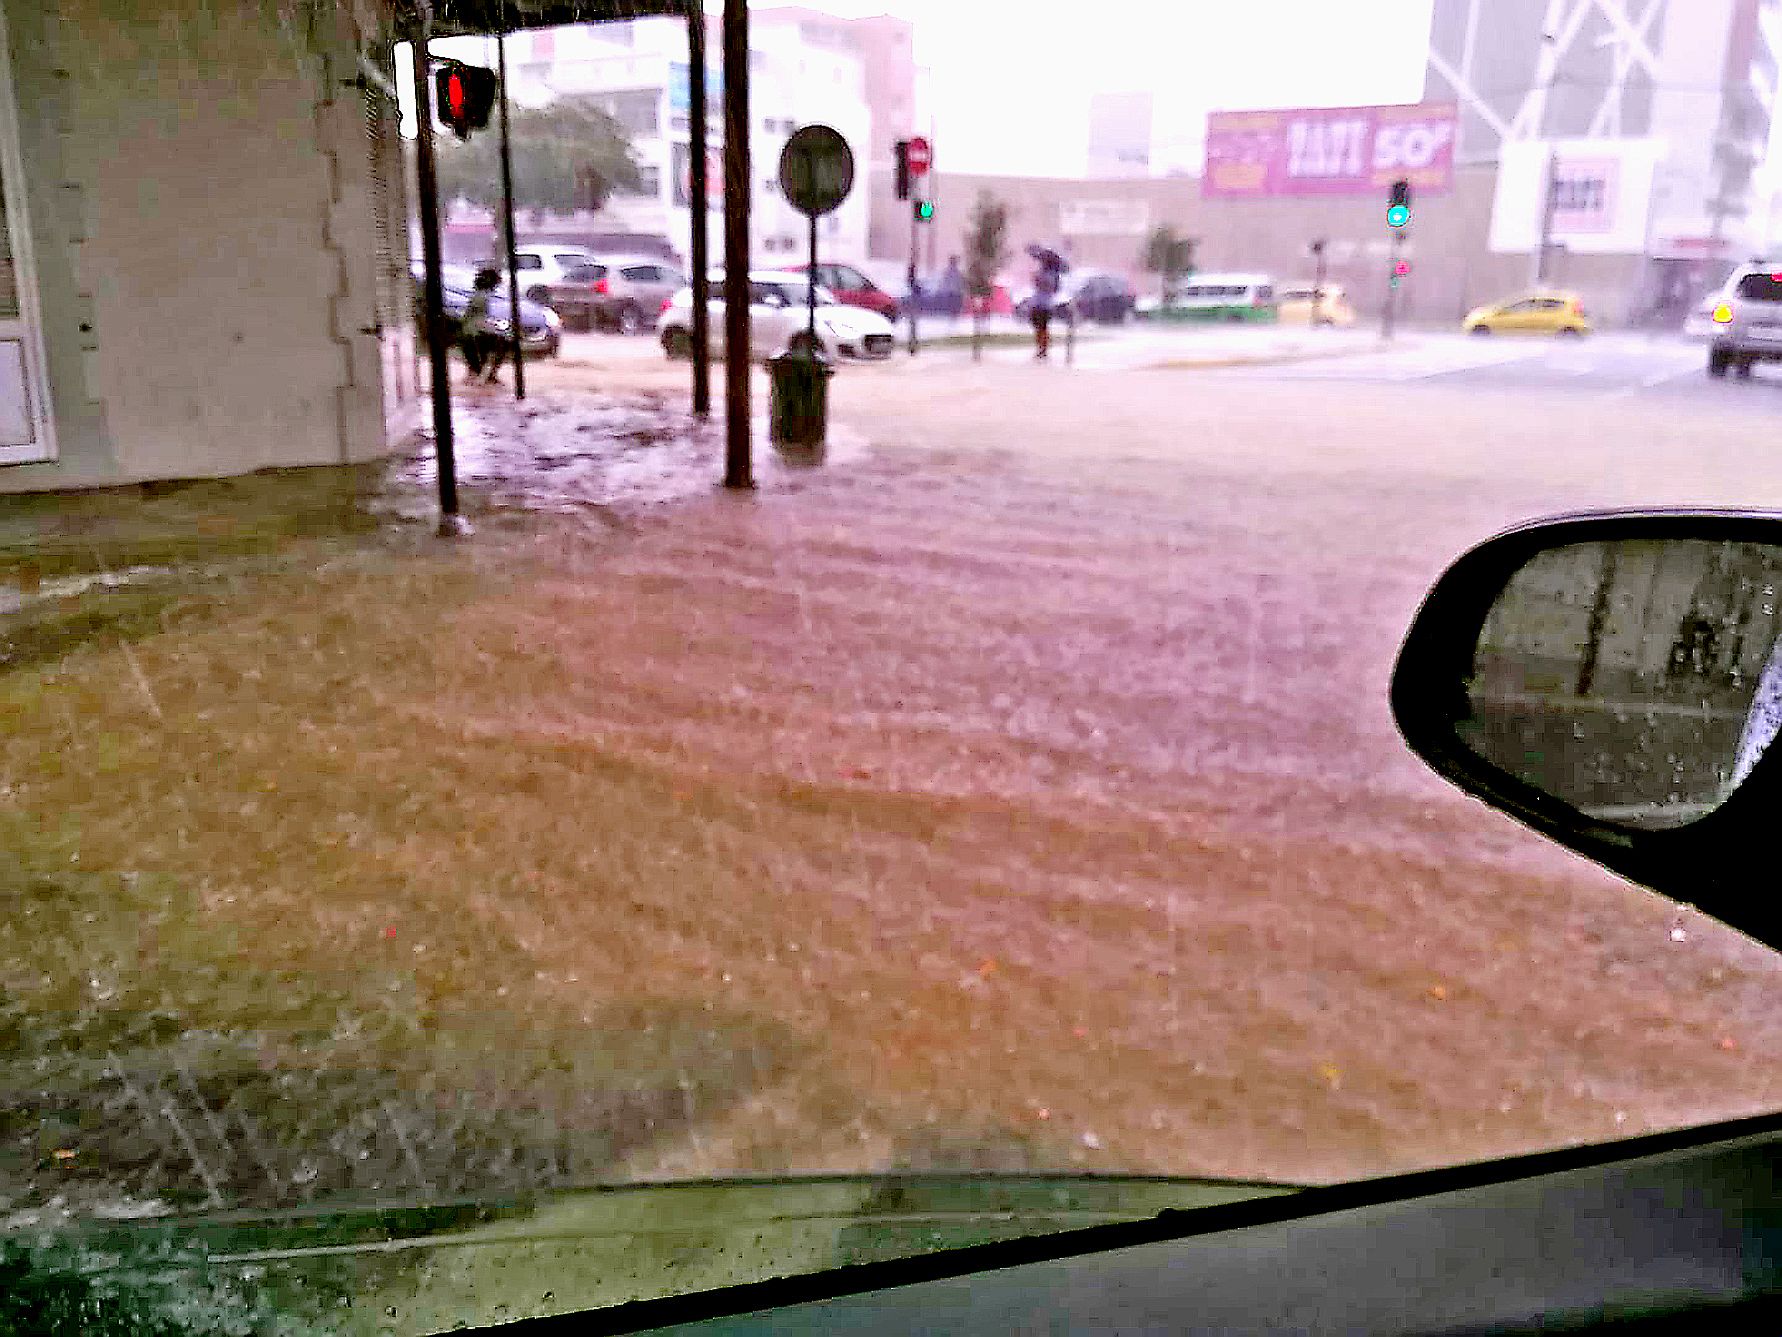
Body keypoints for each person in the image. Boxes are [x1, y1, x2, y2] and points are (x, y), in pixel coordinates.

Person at [461, 268, 510, 385]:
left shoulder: (477, 296)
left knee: (491, 350)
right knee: (501, 345)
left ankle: (481, 375)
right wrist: (495, 328)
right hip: (476, 333)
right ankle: (487, 376)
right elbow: (481, 320)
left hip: (470, 333)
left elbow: (471, 318)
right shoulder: (484, 297)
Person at [1029, 249, 1063, 361]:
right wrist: (1036, 279)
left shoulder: (1052, 274)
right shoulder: (1043, 272)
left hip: (1045, 304)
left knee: (1043, 328)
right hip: (1037, 302)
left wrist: (1039, 281)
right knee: (1038, 328)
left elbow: (1051, 288)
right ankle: (1040, 348)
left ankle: (1043, 349)